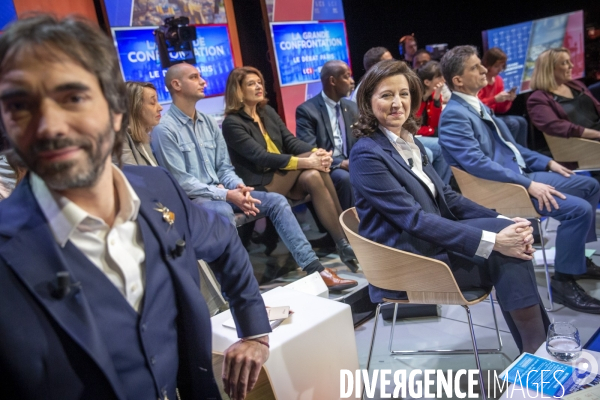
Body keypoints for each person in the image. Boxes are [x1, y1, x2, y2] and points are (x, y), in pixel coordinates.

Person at [0, 14, 271, 400]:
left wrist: (255, 331)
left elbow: (225, 239)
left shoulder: (157, 188)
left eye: (73, 98)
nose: (49, 125)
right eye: (19, 104)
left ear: (114, 113)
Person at [349, 59, 549, 354]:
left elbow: (448, 198)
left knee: (510, 239)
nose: (397, 103)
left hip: (430, 243)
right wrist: (495, 240)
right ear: (368, 101)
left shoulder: (408, 141)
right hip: (406, 261)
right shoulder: (366, 154)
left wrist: (503, 219)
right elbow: (414, 220)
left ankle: (538, 352)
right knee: (507, 254)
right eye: (386, 95)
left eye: (403, 94)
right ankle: (539, 351)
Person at [151, 63, 357, 289]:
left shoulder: (209, 122)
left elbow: (224, 168)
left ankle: (315, 269)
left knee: (279, 200)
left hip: (228, 190)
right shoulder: (166, 130)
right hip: (196, 200)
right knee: (221, 210)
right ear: (176, 85)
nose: (203, 81)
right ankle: (239, 288)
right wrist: (228, 194)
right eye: (194, 77)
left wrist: (239, 189)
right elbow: (183, 183)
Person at [438, 45, 600, 314]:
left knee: (590, 185)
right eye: (475, 67)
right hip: (502, 188)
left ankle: (576, 260)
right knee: (578, 211)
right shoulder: (455, 114)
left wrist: (547, 162)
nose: (483, 70)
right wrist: (528, 185)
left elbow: (511, 147)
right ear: (458, 80)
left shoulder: (476, 105)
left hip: (519, 176)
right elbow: (476, 163)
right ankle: (563, 281)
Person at [221, 66, 360, 273]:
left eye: (259, 82)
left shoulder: (266, 111)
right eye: (251, 84)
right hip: (261, 184)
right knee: (310, 165)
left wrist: (317, 152)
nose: (259, 86)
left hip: (285, 177)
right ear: (238, 91)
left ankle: (342, 243)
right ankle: (348, 236)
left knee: (314, 175)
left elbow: (291, 141)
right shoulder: (232, 123)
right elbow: (261, 157)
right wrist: (306, 160)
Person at [296, 60, 357, 210]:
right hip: (327, 166)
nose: (351, 81)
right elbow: (309, 149)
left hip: (352, 161)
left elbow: (362, 139)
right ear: (332, 81)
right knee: (345, 179)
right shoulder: (307, 111)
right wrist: (340, 163)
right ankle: (349, 228)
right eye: (346, 76)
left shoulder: (352, 107)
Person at [527, 47, 600, 140]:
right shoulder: (538, 99)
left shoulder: (576, 84)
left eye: (570, 61)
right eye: (565, 63)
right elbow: (557, 127)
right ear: (550, 69)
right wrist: (597, 134)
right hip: (584, 142)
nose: (572, 66)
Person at [479, 47, 529, 147]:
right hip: (481, 118)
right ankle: (509, 154)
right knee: (513, 123)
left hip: (494, 115)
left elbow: (501, 110)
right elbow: (476, 104)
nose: (500, 69)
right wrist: (494, 99)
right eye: (497, 66)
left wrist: (507, 100)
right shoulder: (479, 80)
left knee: (522, 121)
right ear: (487, 64)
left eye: (502, 66)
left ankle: (523, 154)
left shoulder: (498, 80)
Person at [414, 61, 451, 183]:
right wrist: (431, 131)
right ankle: (439, 188)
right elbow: (411, 127)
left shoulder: (436, 95)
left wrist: (436, 100)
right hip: (410, 135)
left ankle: (442, 188)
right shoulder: (414, 98)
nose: (443, 79)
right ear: (427, 82)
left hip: (424, 135)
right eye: (439, 77)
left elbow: (435, 124)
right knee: (442, 146)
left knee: (448, 141)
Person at [120, 81, 163, 166]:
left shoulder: (143, 136)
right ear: (135, 107)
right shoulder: (120, 138)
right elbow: (133, 176)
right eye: (152, 102)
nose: (160, 108)